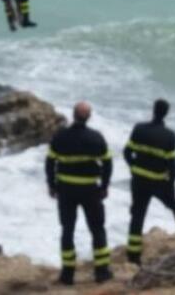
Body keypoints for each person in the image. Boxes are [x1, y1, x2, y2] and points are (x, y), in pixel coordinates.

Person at [46, 102, 113, 285]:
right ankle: (102, 272)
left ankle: (67, 275)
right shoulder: (96, 138)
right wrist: (104, 186)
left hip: (66, 191)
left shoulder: (60, 136)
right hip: (90, 191)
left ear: (73, 115)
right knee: (97, 229)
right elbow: (108, 163)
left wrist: (51, 185)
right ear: (88, 117)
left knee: (67, 230)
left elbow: (50, 162)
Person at [123, 99, 175, 265]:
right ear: (166, 113)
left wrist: (134, 168)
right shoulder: (170, 136)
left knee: (137, 216)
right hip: (159, 182)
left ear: (153, 110)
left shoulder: (139, 129)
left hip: (139, 181)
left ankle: (133, 256)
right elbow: (172, 165)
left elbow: (127, 152)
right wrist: (171, 185)